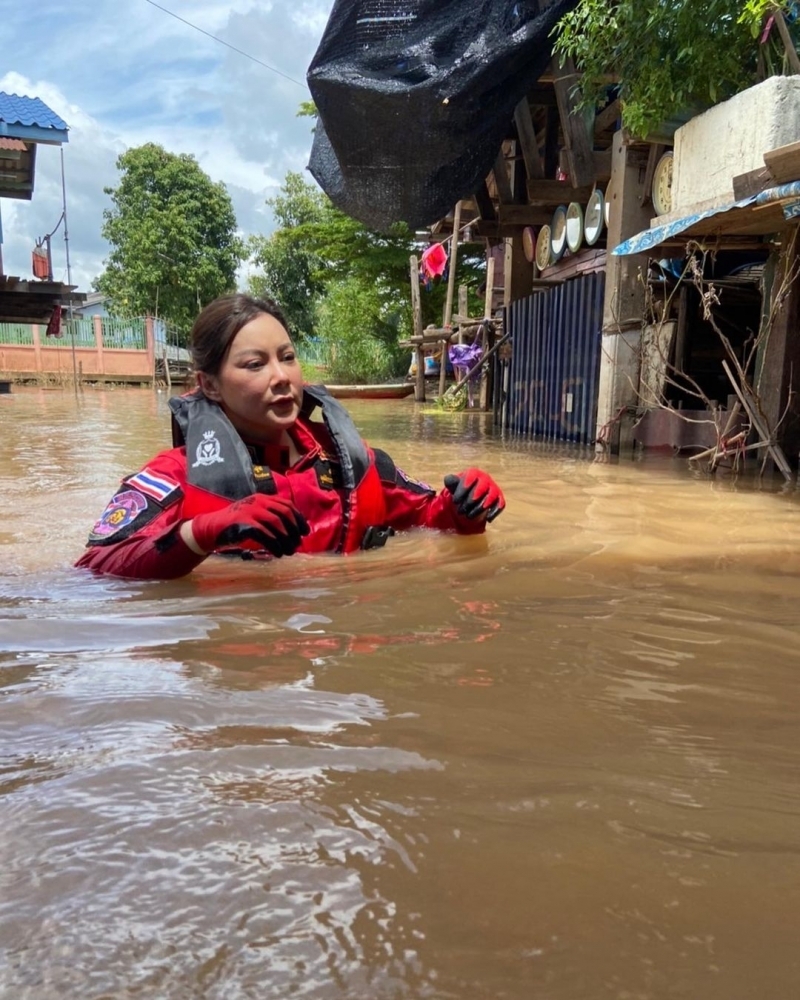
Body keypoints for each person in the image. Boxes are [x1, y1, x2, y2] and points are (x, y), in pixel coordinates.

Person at [75, 294, 505, 580]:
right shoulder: (176, 475)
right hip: (251, 663)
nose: (281, 376)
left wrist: (466, 506)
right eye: (254, 364)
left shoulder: (352, 461)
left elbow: (431, 518)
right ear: (209, 385)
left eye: (287, 357)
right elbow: (97, 564)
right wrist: (200, 533)